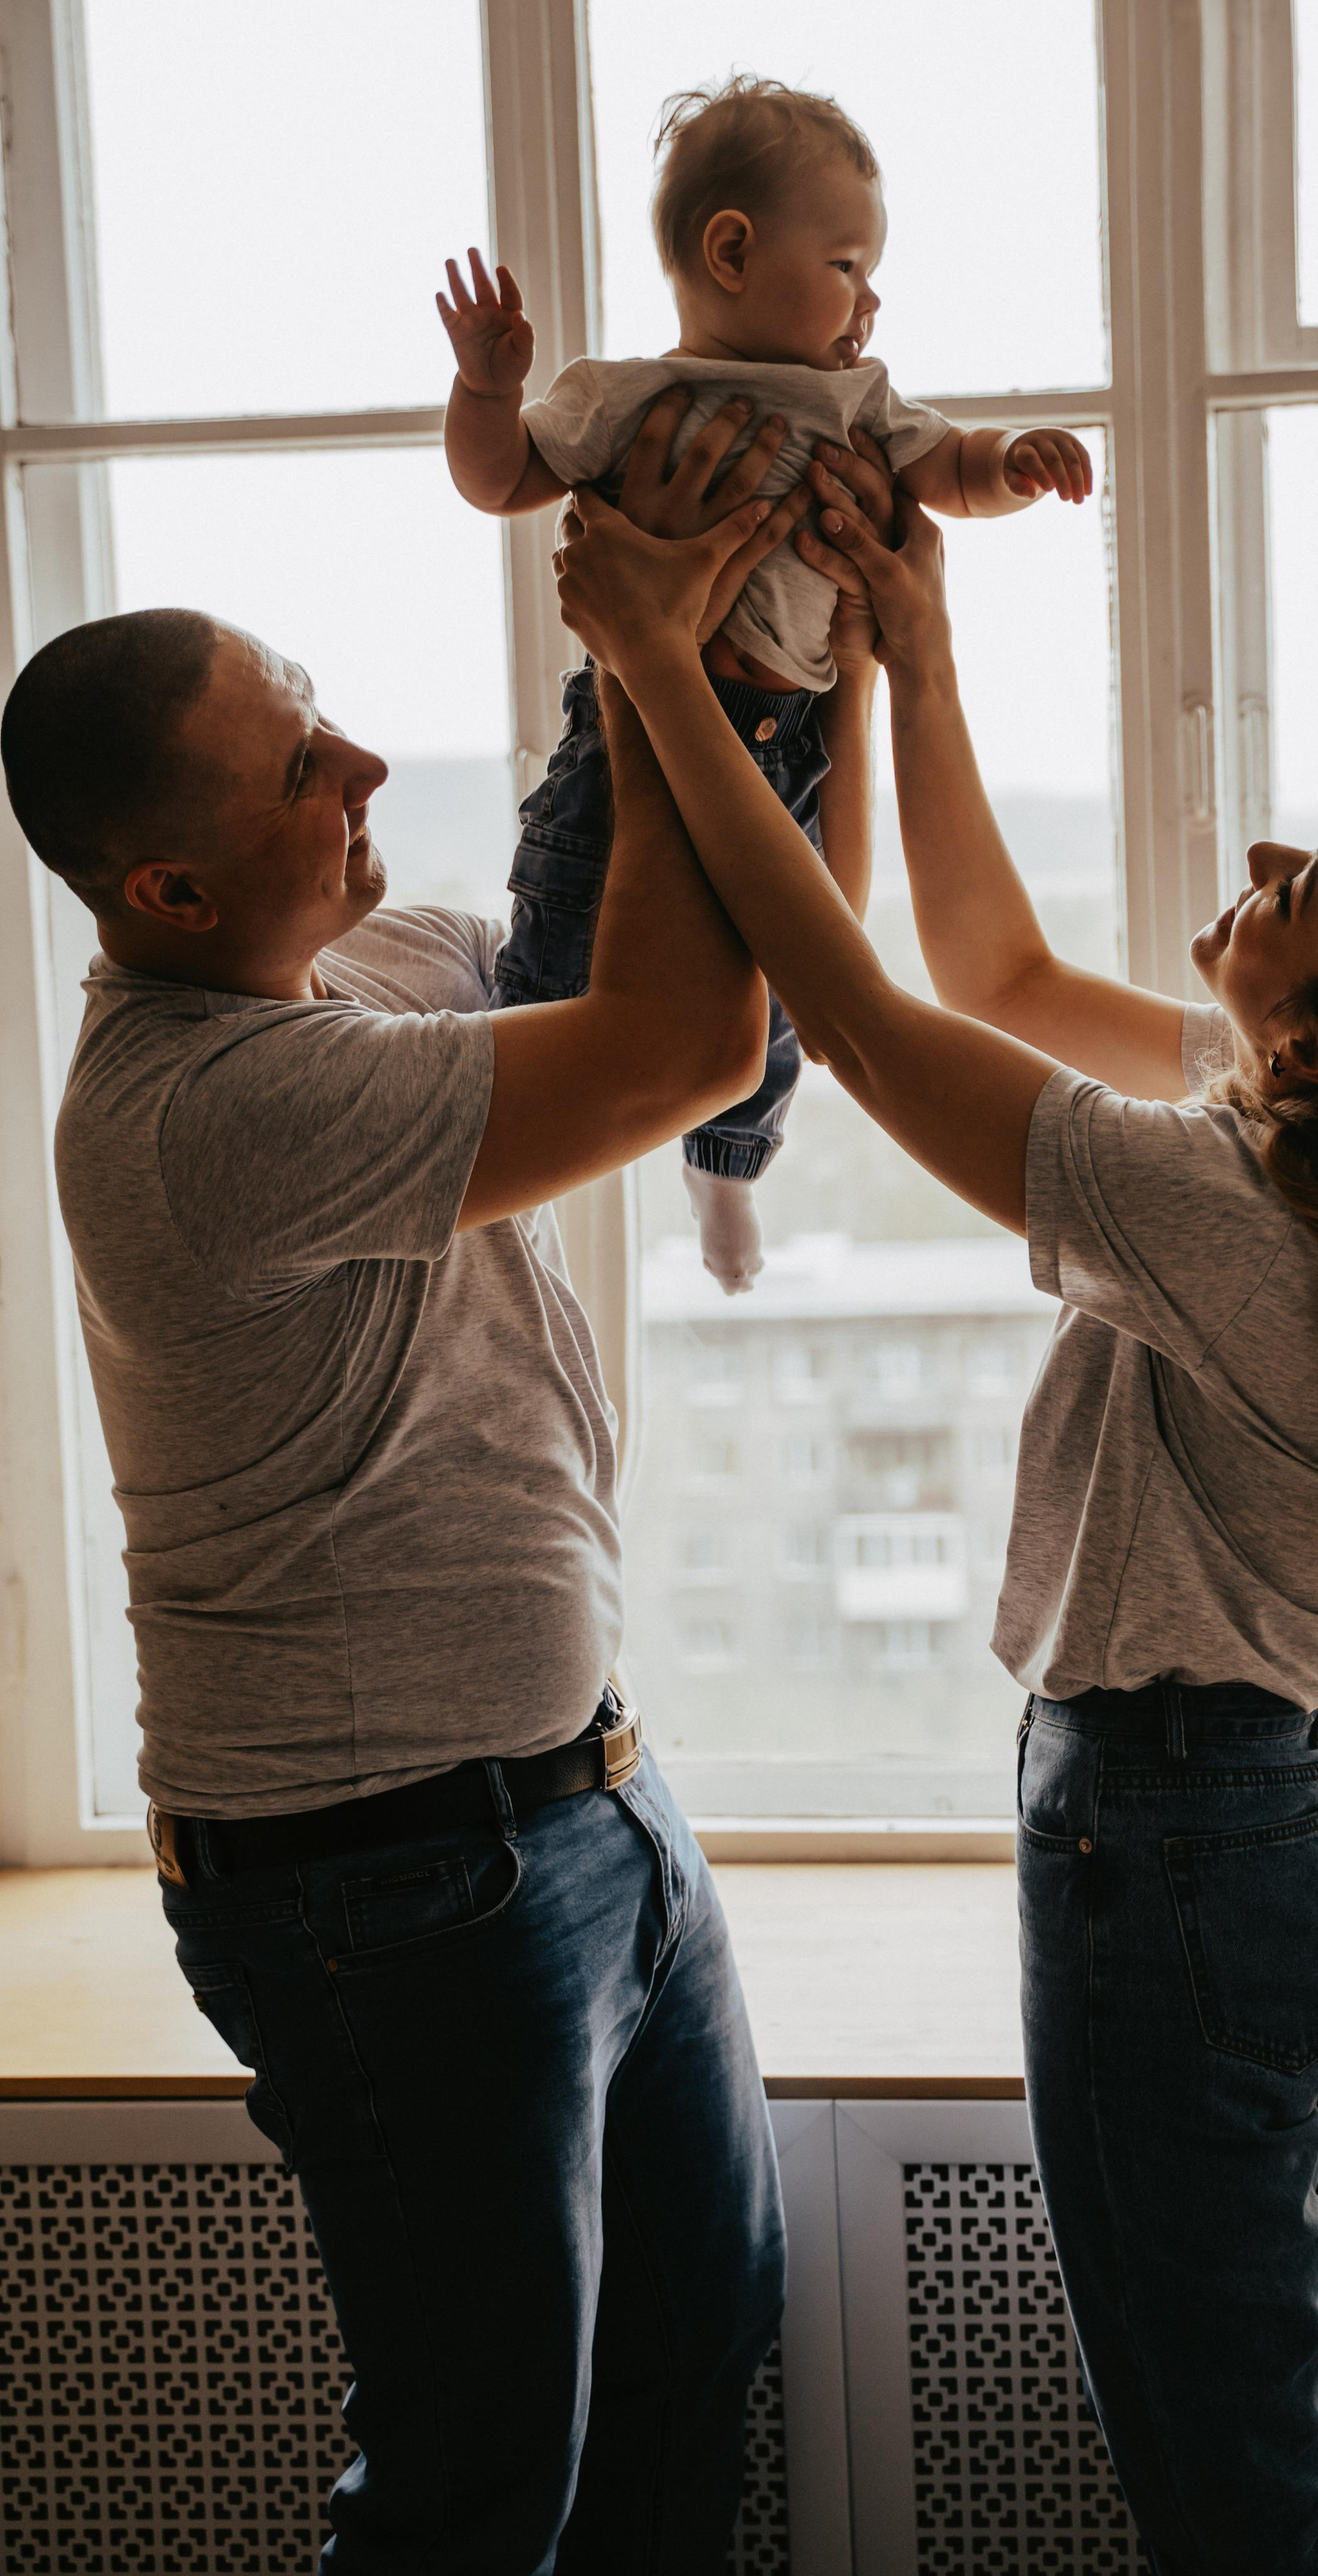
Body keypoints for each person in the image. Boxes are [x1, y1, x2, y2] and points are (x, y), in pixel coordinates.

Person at [544, 459, 1318, 2573]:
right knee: (1235, 2430)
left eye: (1304, 885)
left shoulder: (1240, 1205)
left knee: (1232, 2485)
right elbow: (990, 959)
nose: (1257, 855)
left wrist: (654, 678)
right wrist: (913, 645)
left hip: (1178, 1860)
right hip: (1279, 1836)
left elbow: (878, 1030)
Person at [0, 428, 842, 2572]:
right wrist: (657, 662)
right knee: (476, 2483)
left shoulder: (359, 978)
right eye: (303, 766)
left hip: (588, 1807)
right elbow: (677, 1045)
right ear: (163, 897)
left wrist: (740, 636)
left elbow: (602, 952)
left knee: (694, 2345)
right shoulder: (209, 1111)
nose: (366, 759)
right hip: (387, 1892)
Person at [438, 74, 1091, 1292]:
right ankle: (507, 1134)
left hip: (784, 737)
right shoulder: (620, 396)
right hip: (623, 741)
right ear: (730, 250)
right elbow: (503, 478)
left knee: (783, 985)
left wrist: (1016, 462)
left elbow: (948, 469)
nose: (872, 298)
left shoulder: (859, 401)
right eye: (848, 263)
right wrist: (485, 390)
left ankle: (725, 1171)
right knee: (567, 939)